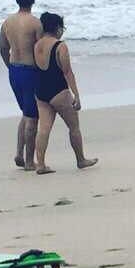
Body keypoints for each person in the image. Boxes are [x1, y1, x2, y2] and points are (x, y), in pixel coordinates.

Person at [31, 13, 98, 173]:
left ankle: (40, 164)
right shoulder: (60, 46)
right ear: (57, 28)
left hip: (41, 92)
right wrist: (76, 94)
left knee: (43, 129)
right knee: (74, 126)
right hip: (59, 91)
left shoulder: (37, 45)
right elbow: (67, 71)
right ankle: (81, 160)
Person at [0, 0, 41, 170]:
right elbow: (40, 49)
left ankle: (19, 153)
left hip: (14, 71)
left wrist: (10, 67)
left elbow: (3, 49)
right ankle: (30, 161)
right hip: (30, 71)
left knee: (26, 113)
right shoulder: (35, 23)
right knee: (32, 117)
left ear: (17, 0)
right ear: (33, 0)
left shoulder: (7, 23)